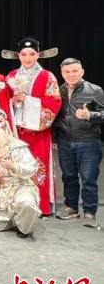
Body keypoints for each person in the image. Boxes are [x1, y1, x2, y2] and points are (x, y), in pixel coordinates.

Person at [3, 37, 62, 215]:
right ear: (18, 56)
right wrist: (12, 102)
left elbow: (53, 102)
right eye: (23, 54)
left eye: (32, 54)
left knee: (38, 167)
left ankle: (42, 206)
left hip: (38, 133)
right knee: (15, 166)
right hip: (16, 133)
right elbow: (4, 101)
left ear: (38, 55)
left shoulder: (47, 76)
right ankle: (16, 206)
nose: (27, 58)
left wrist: (27, 100)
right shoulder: (11, 76)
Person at [53, 58, 104, 228]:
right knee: (68, 177)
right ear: (62, 74)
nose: (71, 74)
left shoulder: (94, 90)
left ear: (82, 71)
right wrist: (54, 138)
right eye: (67, 72)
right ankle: (71, 207)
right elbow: (55, 116)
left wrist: (90, 115)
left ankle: (89, 212)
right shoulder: (58, 91)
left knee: (89, 179)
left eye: (75, 71)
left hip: (88, 142)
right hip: (64, 142)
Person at [0, 103, 41, 238]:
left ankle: (24, 228)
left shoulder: (18, 146)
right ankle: (15, 219)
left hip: (21, 185)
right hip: (1, 187)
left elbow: (32, 168)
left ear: (5, 124)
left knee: (27, 204)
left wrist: (15, 166)